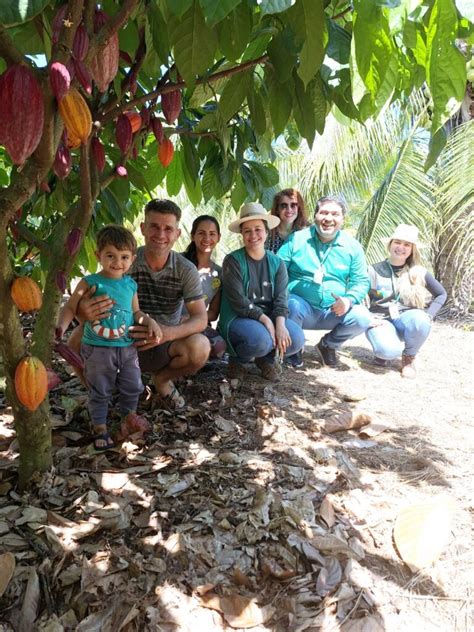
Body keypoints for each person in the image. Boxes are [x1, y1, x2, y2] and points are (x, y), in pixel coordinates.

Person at [75, 199, 210, 410]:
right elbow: (87, 300)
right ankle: (99, 393)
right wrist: (83, 311)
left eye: (168, 229)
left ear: (177, 234)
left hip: (164, 343)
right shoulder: (124, 261)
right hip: (120, 338)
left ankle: (162, 380)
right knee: (75, 340)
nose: (161, 234)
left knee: (200, 347)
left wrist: (167, 333)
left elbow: (201, 318)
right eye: (154, 226)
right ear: (143, 228)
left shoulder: (185, 269)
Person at [57, 225, 161, 450]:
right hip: (98, 347)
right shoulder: (90, 282)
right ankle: (100, 427)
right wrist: (60, 327)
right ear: (98, 255)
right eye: (111, 256)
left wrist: (149, 322)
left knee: (132, 385)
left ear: (132, 259)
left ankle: (128, 418)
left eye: (124, 257)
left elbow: (136, 313)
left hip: (126, 348)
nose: (117, 262)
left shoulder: (130, 285)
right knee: (100, 388)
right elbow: (70, 307)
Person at [278, 196, 371, 367]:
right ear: (315, 216)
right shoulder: (296, 240)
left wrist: (348, 300)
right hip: (300, 309)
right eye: (324, 213)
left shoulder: (353, 246)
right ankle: (294, 347)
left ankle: (327, 345)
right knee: (291, 304)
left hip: (333, 311)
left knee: (362, 317)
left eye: (335, 214)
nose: (329, 218)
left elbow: (361, 281)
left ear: (343, 219)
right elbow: (276, 271)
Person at [218, 202, 305, 381]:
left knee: (295, 339)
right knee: (260, 340)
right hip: (239, 317)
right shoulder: (233, 261)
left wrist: (279, 325)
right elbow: (238, 301)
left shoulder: (277, 263)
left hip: (270, 317)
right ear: (242, 234)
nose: (253, 235)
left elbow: (281, 299)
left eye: (258, 229)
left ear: (266, 232)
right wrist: (266, 320)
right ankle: (238, 361)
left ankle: (265, 360)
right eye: (247, 230)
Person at [366, 224, 447, 378]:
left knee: (421, 320)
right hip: (381, 319)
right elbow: (359, 296)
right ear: (390, 245)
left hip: (407, 319)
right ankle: (385, 352)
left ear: (412, 249)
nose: (401, 247)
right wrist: (367, 317)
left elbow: (441, 294)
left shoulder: (419, 272)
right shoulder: (373, 270)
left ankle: (409, 358)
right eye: (397, 242)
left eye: (406, 244)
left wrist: (428, 316)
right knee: (387, 352)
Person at [182, 214, 226, 358]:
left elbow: (213, 313)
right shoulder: (177, 262)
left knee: (219, 347)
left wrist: (192, 319)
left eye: (212, 234)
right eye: (201, 233)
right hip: (167, 321)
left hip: (195, 323)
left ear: (218, 237)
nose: (207, 239)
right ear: (193, 236)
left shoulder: (219, 273)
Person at [266, 188, 309, 253]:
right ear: (277, 209)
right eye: (284, 206)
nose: (289, 210)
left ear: (299, 208)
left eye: (293, 205)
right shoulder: (266, 233)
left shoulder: (307, 232)